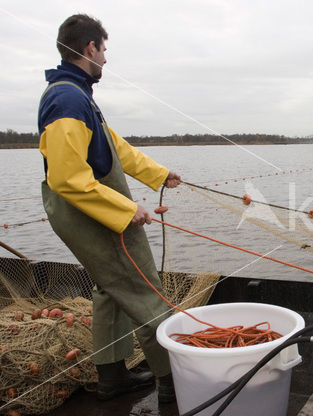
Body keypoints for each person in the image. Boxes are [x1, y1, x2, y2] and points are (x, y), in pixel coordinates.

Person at [38, 14, 180, 402]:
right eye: (104, 50)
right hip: (90, 212)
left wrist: (160, 174)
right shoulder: (67, 98)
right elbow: (67, 179)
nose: (105, 59)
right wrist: (125, 210)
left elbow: (116, 148)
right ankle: (173, 382)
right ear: (90, 49)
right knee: (143, 289)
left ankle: (112, 376)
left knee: (109, 288)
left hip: (89, 209)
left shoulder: (76, 93)